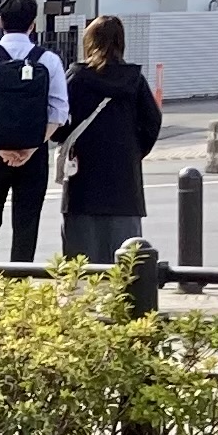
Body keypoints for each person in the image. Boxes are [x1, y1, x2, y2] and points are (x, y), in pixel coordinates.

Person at [0, 0, 68, 265]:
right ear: (33, 24)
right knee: (26, 223)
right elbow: (59, 111)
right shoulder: (49, 60)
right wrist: (32, 147)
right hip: (34, 154)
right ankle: (19, 284)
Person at [57, 15, 163, 264]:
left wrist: (67, 141)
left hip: (83, 181)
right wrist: (134, 150)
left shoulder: (76, 78)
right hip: (124, 184)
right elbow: (152, 121)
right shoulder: (134, 79)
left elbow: (57, 119)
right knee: (125, 263)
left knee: (81, 264)